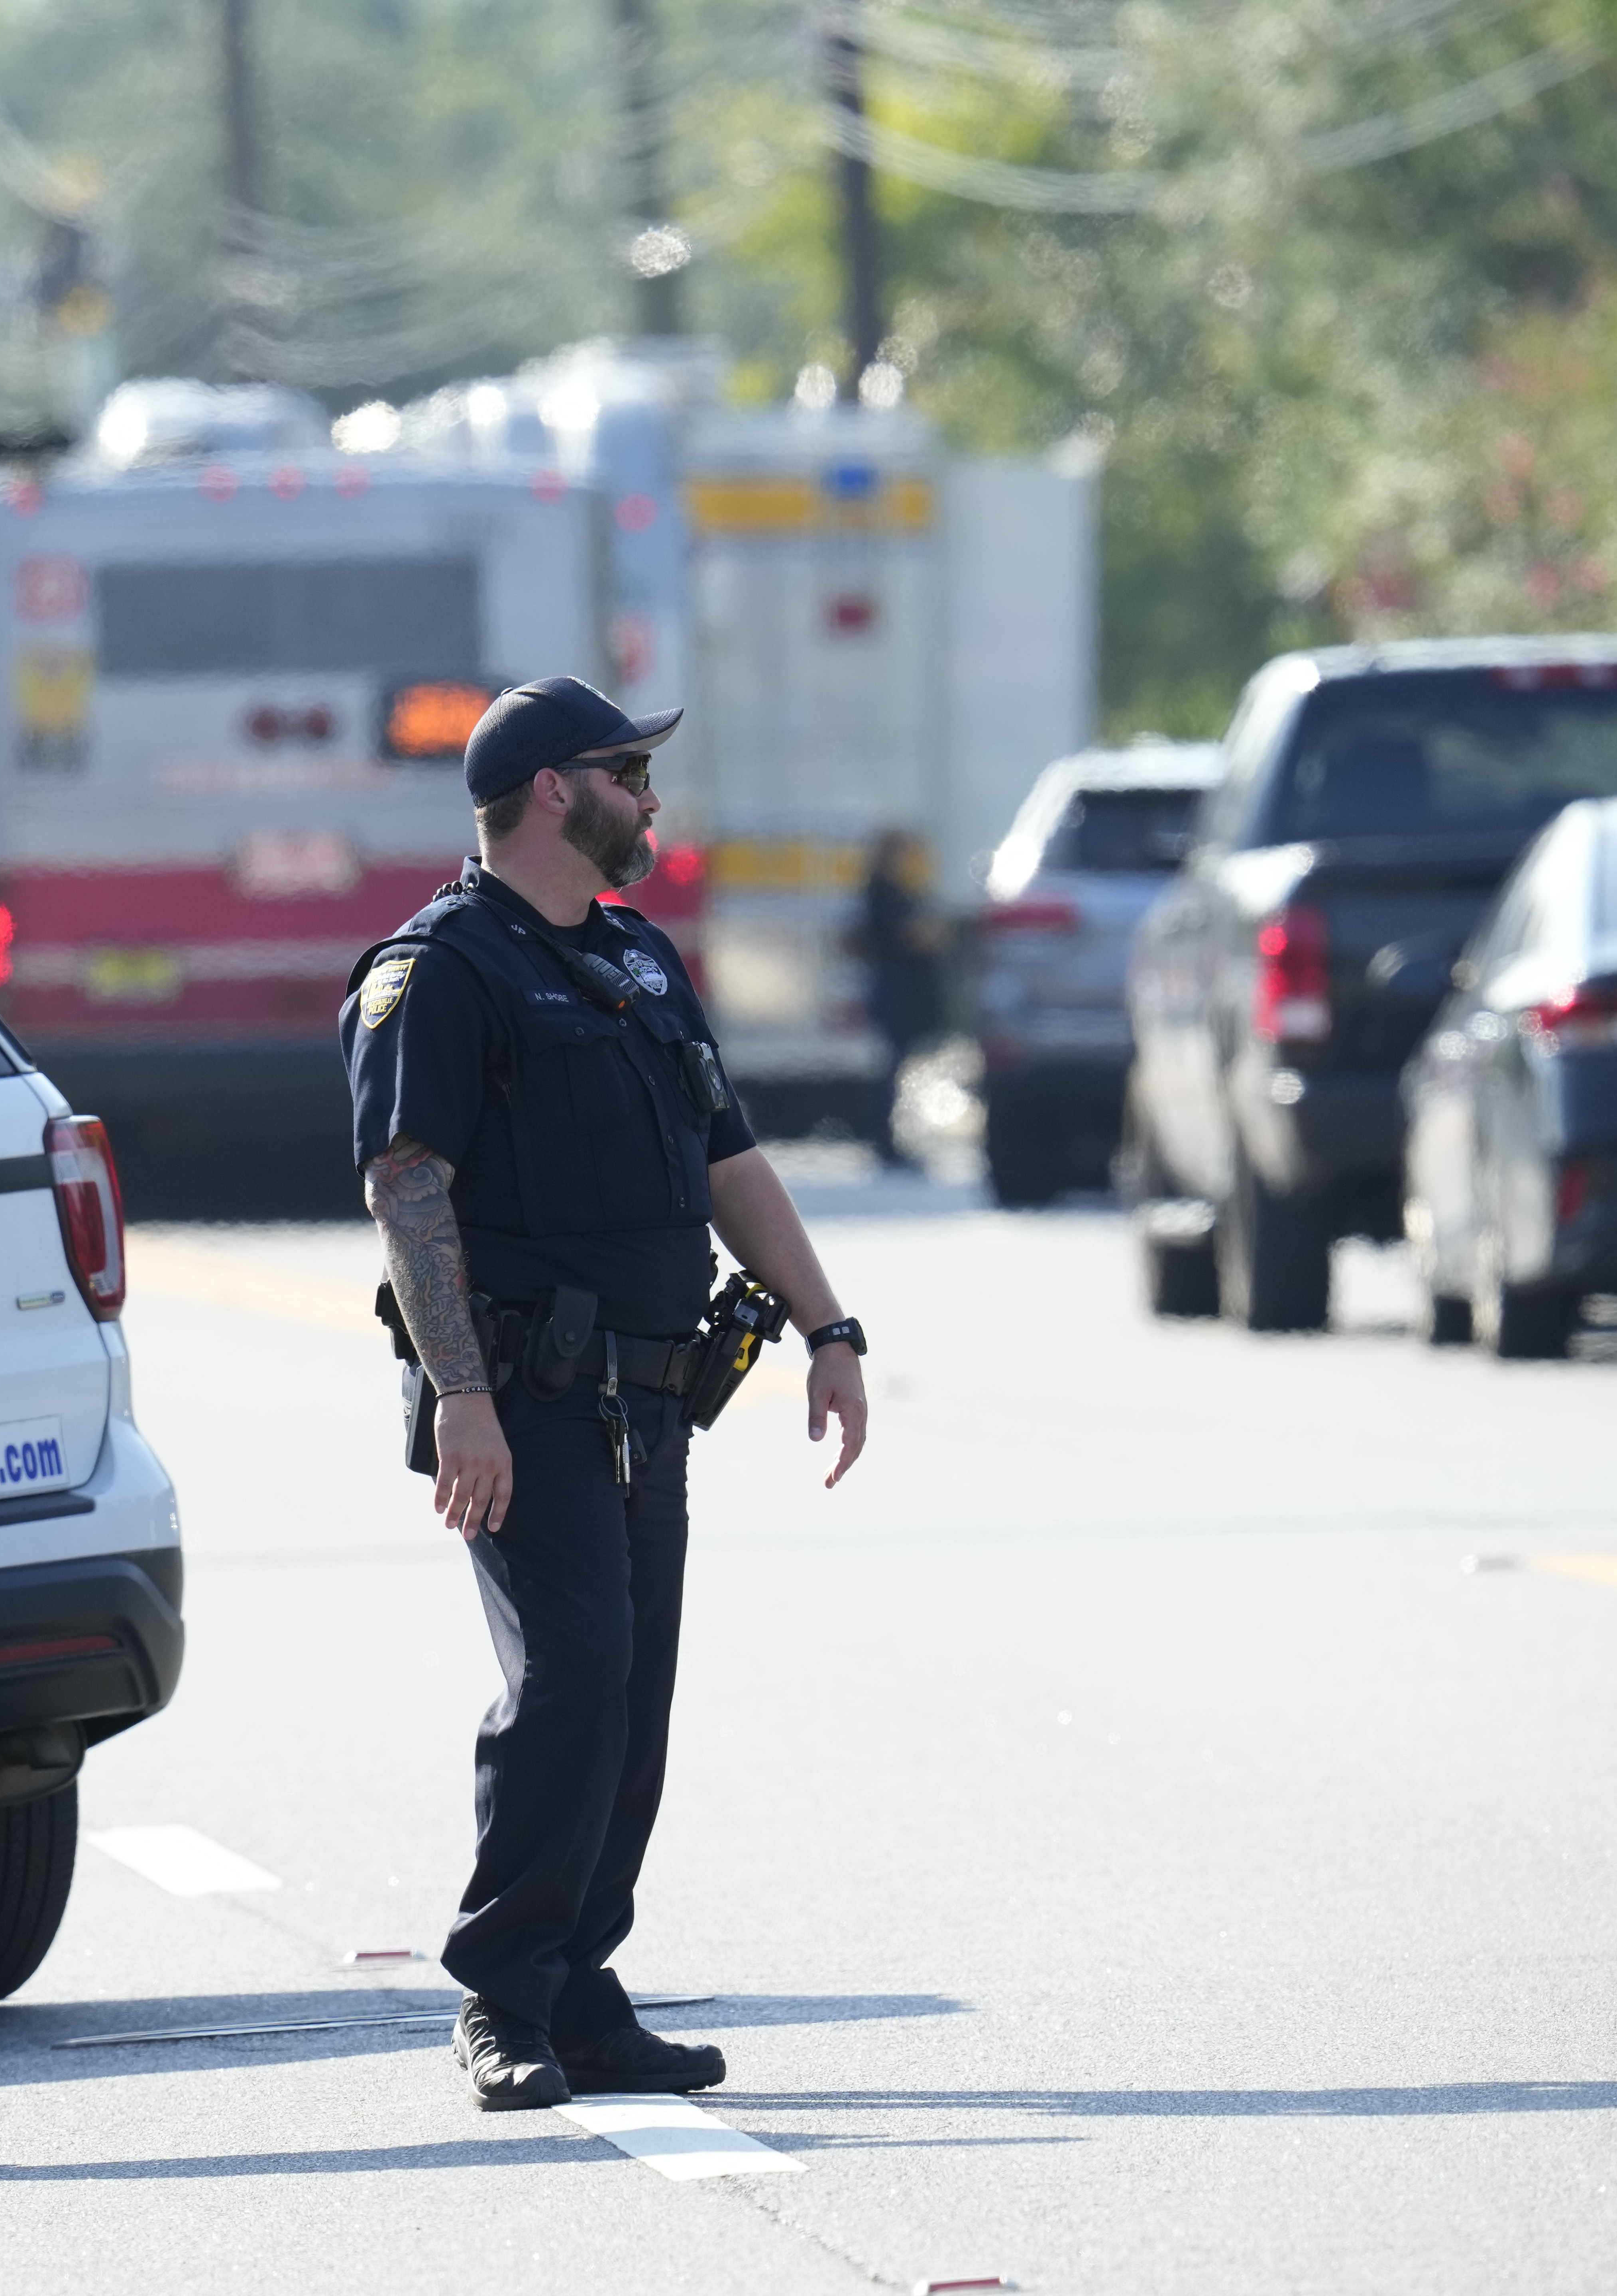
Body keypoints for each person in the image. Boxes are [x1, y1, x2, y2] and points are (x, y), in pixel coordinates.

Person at [340, 678, 873, 2112]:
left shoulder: (636, 962)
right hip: (517, 1399)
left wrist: (830, 1327)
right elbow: (407, 1183)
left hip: (650, 1399)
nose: (651, 795)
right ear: (551, 794)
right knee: (570, 1672)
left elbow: (729, 1160)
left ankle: (579, 1983)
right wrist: (459, 1391)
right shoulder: (438, 968)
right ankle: (502, 1988)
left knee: (628, 1690)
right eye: (627, 770)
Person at [849, 827, 946, 1166]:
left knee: (895, 1067)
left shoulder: (898, 891)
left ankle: (889, 1139)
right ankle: (884, 1142)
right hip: (895, 990)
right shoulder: (884, 892)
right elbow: (913, 935)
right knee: (889, 1070)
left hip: (902, 990)